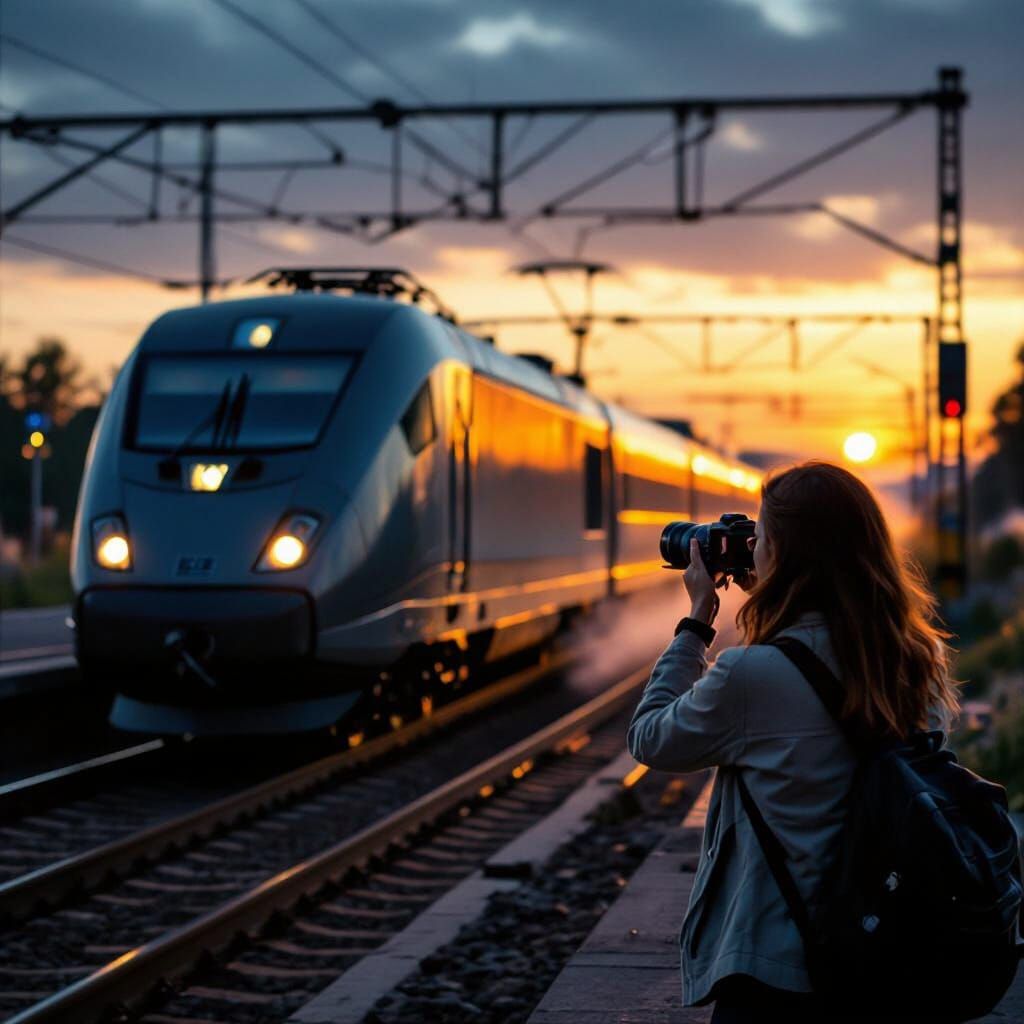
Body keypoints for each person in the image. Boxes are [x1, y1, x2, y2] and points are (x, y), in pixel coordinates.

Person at [627, 461, 960, 1023]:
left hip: (778, 968)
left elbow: (650, 737)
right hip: (888, 952)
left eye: (762, 537)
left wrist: (696, 622)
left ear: (783, 554)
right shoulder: (915, 659)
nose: (751, 548)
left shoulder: (750, 675)